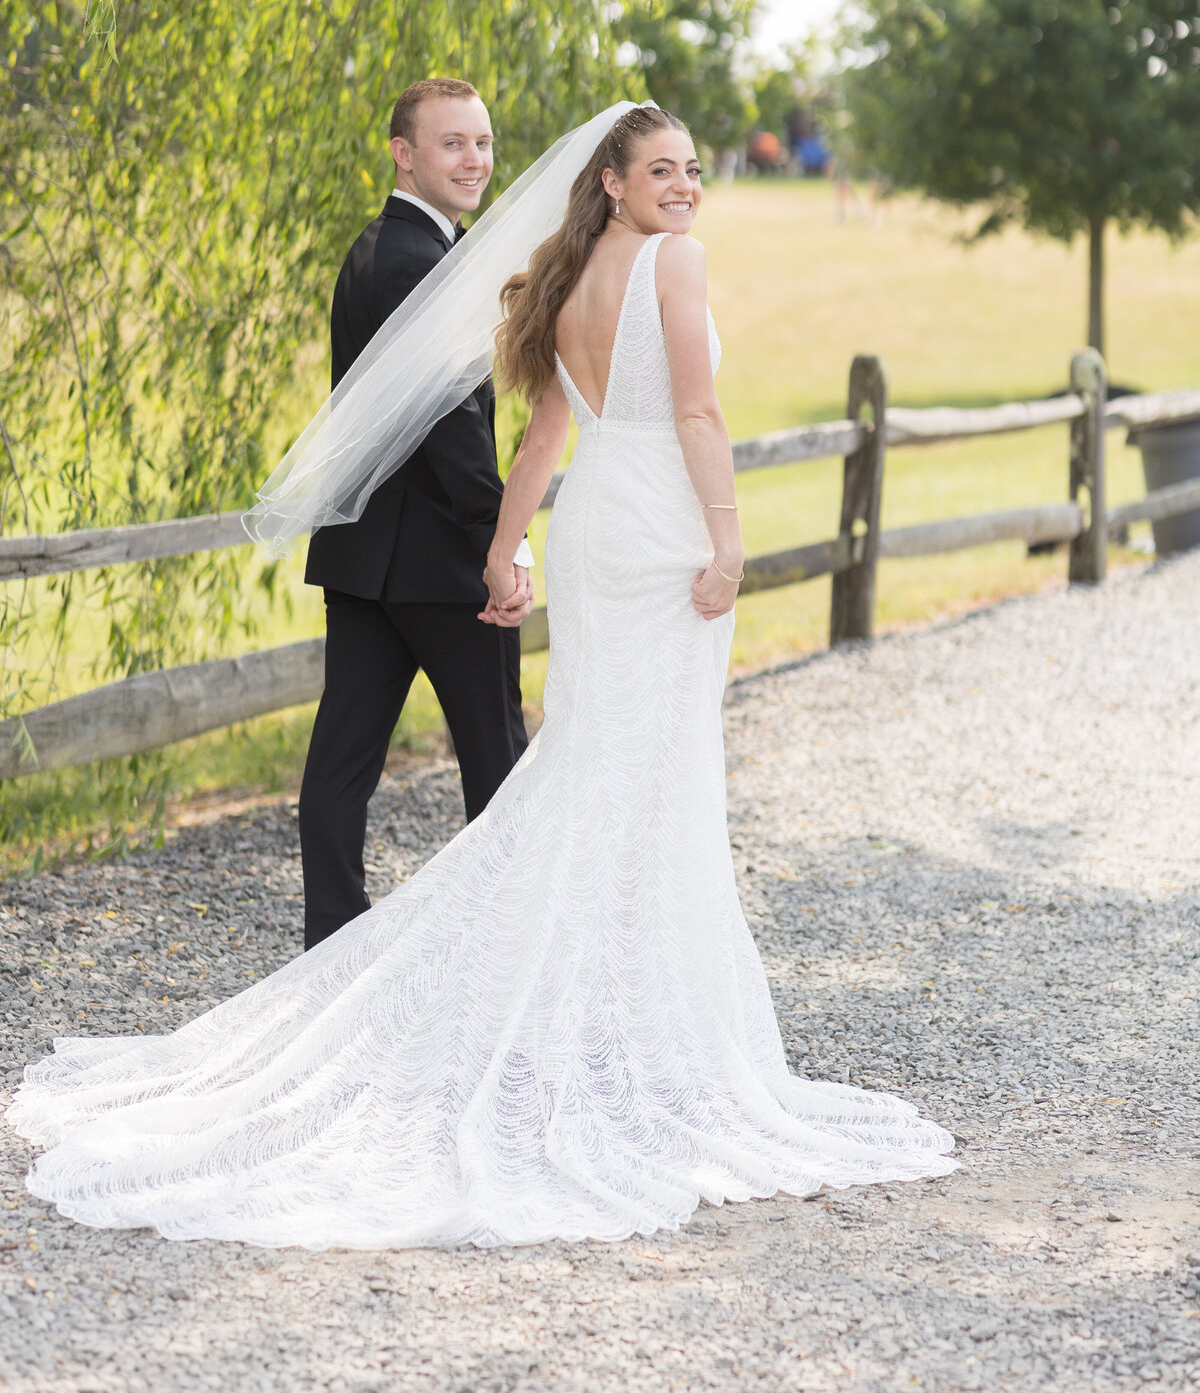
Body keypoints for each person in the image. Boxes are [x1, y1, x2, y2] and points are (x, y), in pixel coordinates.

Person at [8, 104, 955, 1250]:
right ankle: (616, 1022)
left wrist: (511, 541)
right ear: (611, 181)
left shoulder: (567, 272)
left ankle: (597, 1001)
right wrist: (730, 538)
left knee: (589, 759)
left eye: (695, 170)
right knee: (644, 767)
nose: (687, 187)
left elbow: (551, 425)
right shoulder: (672, 261)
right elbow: (696, 409)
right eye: (663, 169)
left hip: (601, 527)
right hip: (655, 528)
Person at [298, 77, 533, 949]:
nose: (474, 160)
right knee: (497, 761)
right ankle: (502, 953)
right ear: (405, 153)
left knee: (343, 762)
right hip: (443, 562)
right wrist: (502, 542)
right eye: (452, 144)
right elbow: (451, 427)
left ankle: (331, 949)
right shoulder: (416, 261)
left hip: (367, 559)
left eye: (482, 142)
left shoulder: (379, 248)